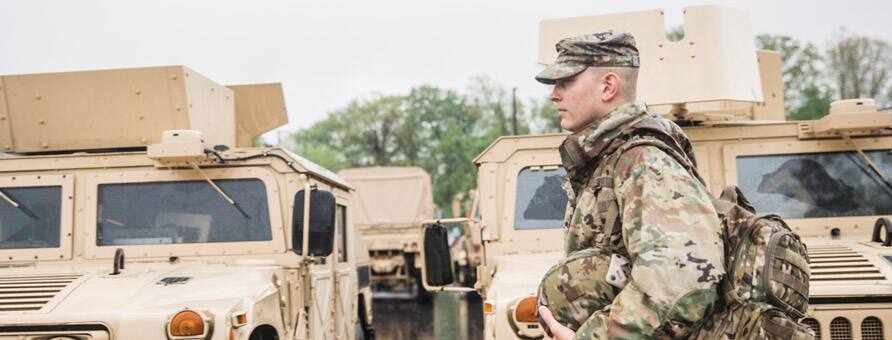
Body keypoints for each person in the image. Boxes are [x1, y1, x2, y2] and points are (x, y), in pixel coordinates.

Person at [534, 30, 725, 339]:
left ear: (608, 86)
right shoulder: (609, 158)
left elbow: (683, 279)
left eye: (565, 82)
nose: (554, 94)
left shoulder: (643, 161)